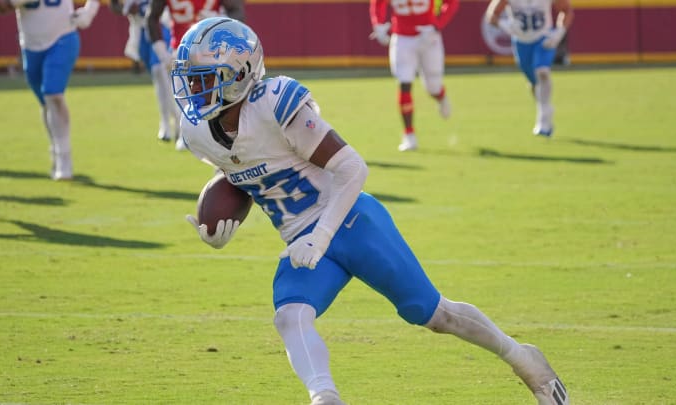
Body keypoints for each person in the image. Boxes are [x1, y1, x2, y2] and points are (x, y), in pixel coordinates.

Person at [174, 17, 570, 405]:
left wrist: (321, 235)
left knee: (433, 314)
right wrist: (217, 224)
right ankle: (324, 397)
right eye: (190, 78)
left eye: (204, 77)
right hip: (302, 243)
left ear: (240, 73)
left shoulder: (275, 104)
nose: (193, 88)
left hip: (350, 221)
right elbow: (236, 173)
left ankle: (522, 357)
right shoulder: (197, 132)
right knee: (290, 315)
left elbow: (352, 167)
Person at [0, 0, 100, 180]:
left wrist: (89, 11)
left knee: (53, 94)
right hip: (31, 45)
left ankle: (64, 159)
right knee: (46, 102)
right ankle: (55, 148)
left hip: (63, 36)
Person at [146, 0, 245, 150]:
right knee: (184, 97)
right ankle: (187, 132)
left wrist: (222, 21)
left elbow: (237, 11)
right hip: (182, 51)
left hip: (214, 51)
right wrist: (161, 52)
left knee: (221, 96)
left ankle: (222, 132)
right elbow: (152, 17)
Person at [369, 0, 459, 152]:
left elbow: (452, 2)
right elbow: (378, 3)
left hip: (428, 35)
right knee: (404, 83)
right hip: (402, 37)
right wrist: (378, 25)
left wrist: (437, 25)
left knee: (433, 87)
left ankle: (440, 95)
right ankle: (409, 134)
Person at [486, 0, 574, 137]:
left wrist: (559, 33)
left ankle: (543, 121)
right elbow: (491, 15)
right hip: (522, 42)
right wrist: (505, 25)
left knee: (542, 72)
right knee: (534, 83)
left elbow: (567, 10)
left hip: (543, 38)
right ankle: (545, 109)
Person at [109, 0, 181, 146]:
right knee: (158, 77)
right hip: (140, 30)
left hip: (160, 25)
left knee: (161, 71)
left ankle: (175, 122)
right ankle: (167, 121)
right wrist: (126, 9)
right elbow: (114, 5)